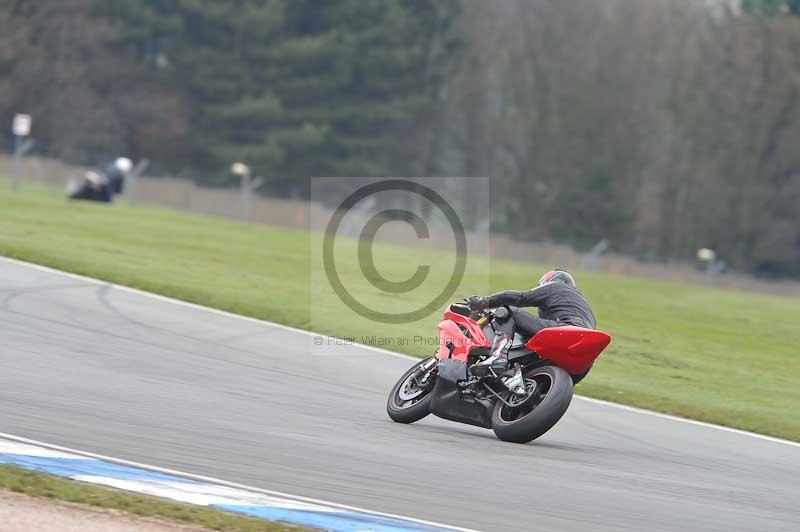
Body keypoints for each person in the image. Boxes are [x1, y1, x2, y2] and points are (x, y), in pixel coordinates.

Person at [464, 269, 596, 376]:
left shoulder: (555, 287)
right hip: (583, 353)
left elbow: (520, 298)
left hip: (566, 329)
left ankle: (498, 357)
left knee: (508, 312)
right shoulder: (585, 306)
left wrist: (483, 302)